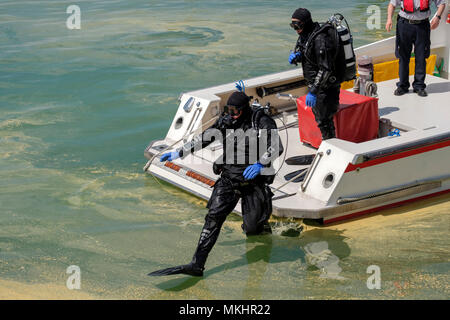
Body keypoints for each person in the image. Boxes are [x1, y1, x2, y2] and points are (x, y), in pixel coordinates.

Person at [149, 91, 283, 277]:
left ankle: (261, 225)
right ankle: (197, 264)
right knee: (213, 218)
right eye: (229, 109)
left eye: (236, 110)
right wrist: (179, 152)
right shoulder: (227, 121)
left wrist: (261, 164)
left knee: (253, 229)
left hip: (253, 181)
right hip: (228, 178)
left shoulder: (260, 120)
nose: (232, 114)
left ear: (245, 109)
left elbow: (276, 146)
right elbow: (204, 138)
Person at [289, 8, 342, 141]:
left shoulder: (320, 39)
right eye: (293, 25)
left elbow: (325, 69)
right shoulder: (306, 35)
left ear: (306, 22)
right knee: (321, 119)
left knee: (324, 121)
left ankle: (331, 147)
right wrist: (298, 56)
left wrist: (313, 91)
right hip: (317, 87)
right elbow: (310, 55)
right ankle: (329, 145)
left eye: (298, 25)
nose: (296, 29)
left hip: (326, 87)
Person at [386, 0, 446, 97]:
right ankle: (403, 86)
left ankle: (419, 86)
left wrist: (438, 17)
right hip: (404, 25)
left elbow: (441, 3)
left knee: (421, 57)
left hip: (422, 26)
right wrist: (389, 19)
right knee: (403, 57)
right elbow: (392, 4)